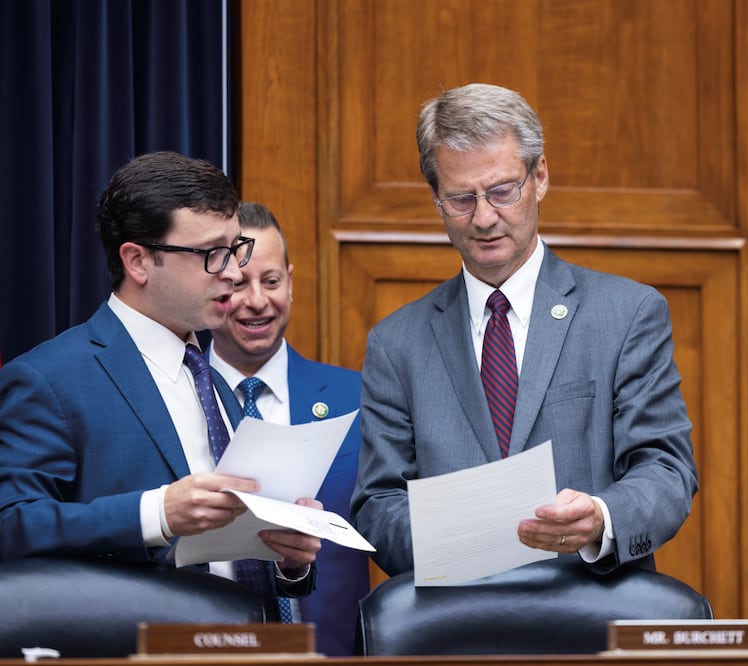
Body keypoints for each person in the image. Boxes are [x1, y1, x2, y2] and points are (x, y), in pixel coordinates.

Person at [350, 83, 698, 577]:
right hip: (457, 617)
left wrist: (601, 519)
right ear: (436, 200)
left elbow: (666, 470)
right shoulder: (396, 344)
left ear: (540, 177)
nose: (484, 218)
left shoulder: (626, 314)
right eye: (461, 199)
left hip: (588, 609)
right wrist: (472, 540)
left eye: (502, 191)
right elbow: (377, 506)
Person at [0, 151, 320, 621]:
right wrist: (158, 514)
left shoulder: (213, 379)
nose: (234, 272)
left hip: (252, 642)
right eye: (211, 254)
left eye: (235, 248)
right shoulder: (48, 379)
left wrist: (288, 562)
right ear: (138, 261)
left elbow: (232, 558)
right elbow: (11, 526)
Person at [207, 201, 367, 655]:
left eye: (272, 281)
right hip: (208, 650)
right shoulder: (176, 397)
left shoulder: (356, 398)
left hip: (331, 653)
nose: (258, 300)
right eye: (239, 283)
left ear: (291, 284)